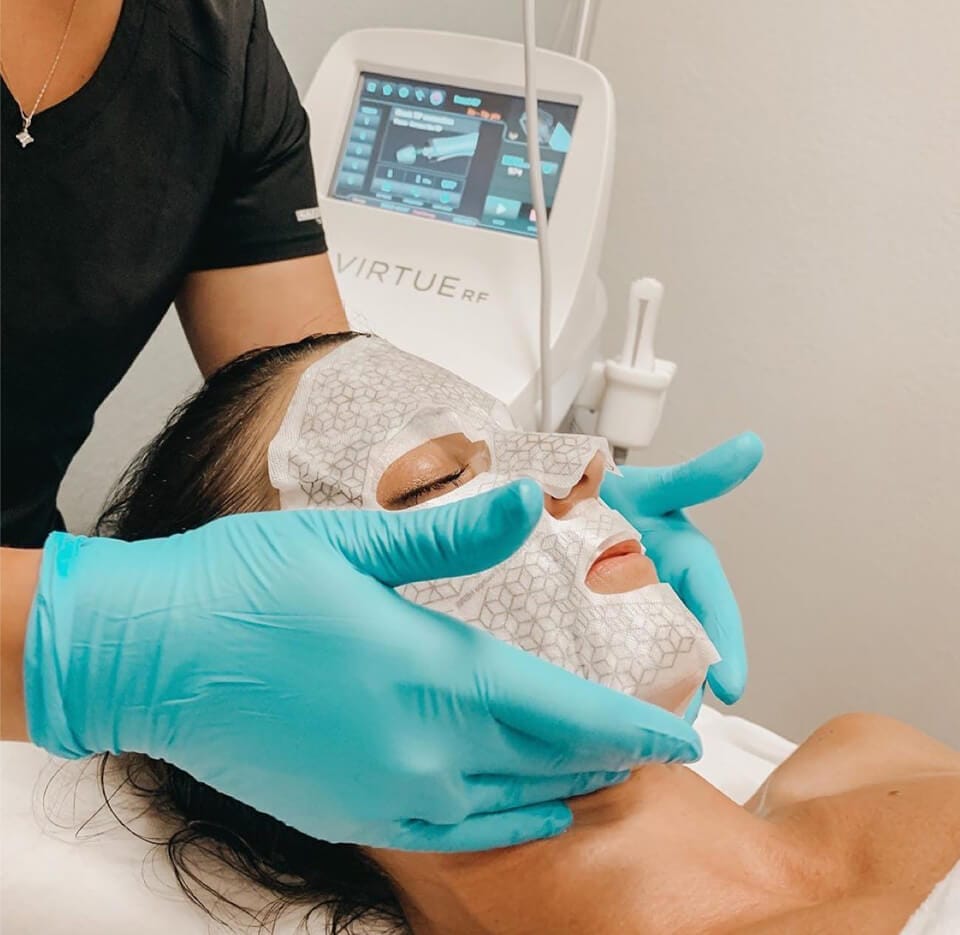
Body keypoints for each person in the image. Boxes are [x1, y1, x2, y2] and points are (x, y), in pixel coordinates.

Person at [0, 0, 762, 851]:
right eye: (438, 482)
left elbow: (316, 412)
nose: (583, 464)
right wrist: (96, 644)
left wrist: (515, 473)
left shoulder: (210, 37)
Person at [86, 332, 958, 933]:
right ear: (289, 710)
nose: (585, 467)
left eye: (521, 437)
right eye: (434, 481)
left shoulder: (863, 752)